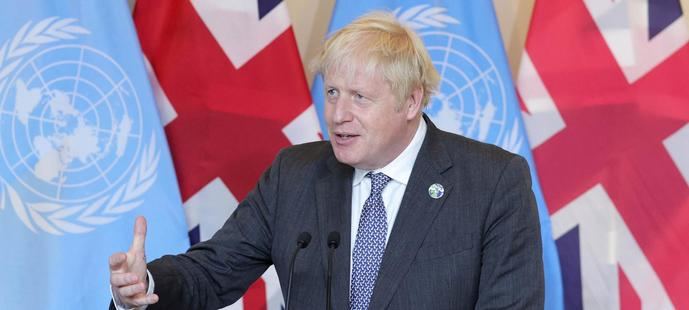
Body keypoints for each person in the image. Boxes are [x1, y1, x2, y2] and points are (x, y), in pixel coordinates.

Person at [109, 12, 544, 310]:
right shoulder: (295, 174)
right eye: (332, 92)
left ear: (411, 102)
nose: (338, 114)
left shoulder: (491, 182)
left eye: (360, 97)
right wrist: (145, 285)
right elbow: (213, 271)